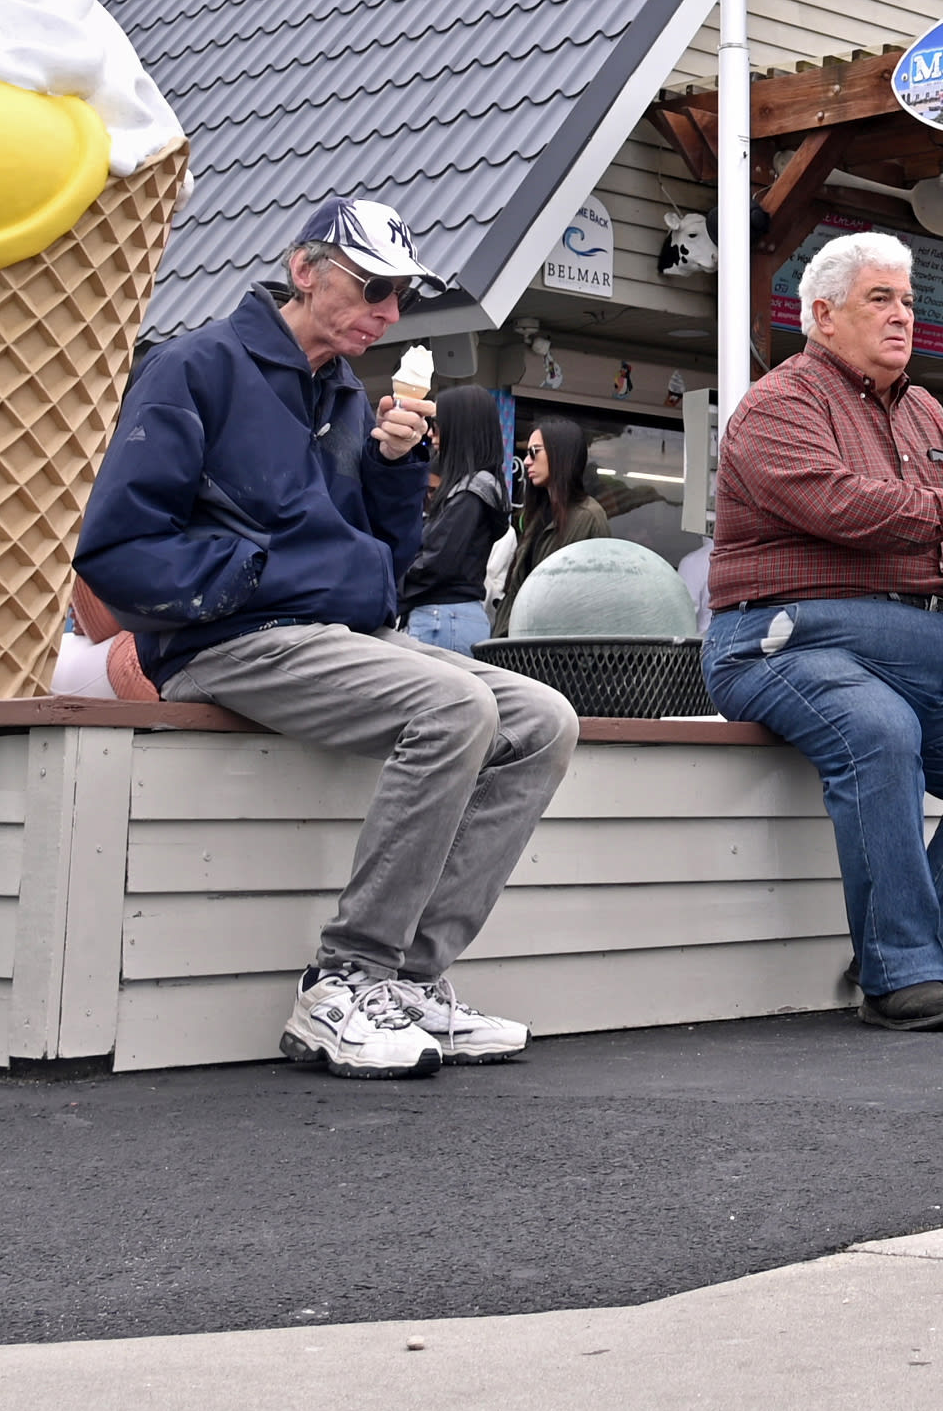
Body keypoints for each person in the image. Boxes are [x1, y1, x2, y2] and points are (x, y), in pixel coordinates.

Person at [77, 195, 579, 1082]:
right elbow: (114, 548)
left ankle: (411, 980)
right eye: (372, 289)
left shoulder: (345, 398)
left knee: (543, 719)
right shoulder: (197, 367)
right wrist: (249, 578)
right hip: (228, 639)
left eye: (401, 298)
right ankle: (344, 978)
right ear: (304, 269)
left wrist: (393, 473)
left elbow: (381, 571)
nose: (388, 314)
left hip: (334, 634)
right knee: (457, 704)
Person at [704, 232, 943, 1032]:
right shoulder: (780, 401)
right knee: (880, 729)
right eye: (881, 298)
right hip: (785, 638)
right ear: (823, 314)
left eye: (907, 299)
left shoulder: (925, 407)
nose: (902, 314)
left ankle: (934, 952)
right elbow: (838, 500)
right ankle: (896, 973)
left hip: (931, 648)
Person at [399, 386, 507, 654]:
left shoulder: (470, 492)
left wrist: (389, 587)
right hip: (451, 619)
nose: (433, 436)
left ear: (460, 429)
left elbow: (436, 563)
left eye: (438, 426)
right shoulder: (477, 488)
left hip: (443, 620)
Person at [492, 412, 614, 632]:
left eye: (534, 452)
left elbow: (591, 598)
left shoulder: (588, 516)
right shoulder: (538, 514)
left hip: (553, 650)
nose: (527, 460)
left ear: (561, 454)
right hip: (516, 644)